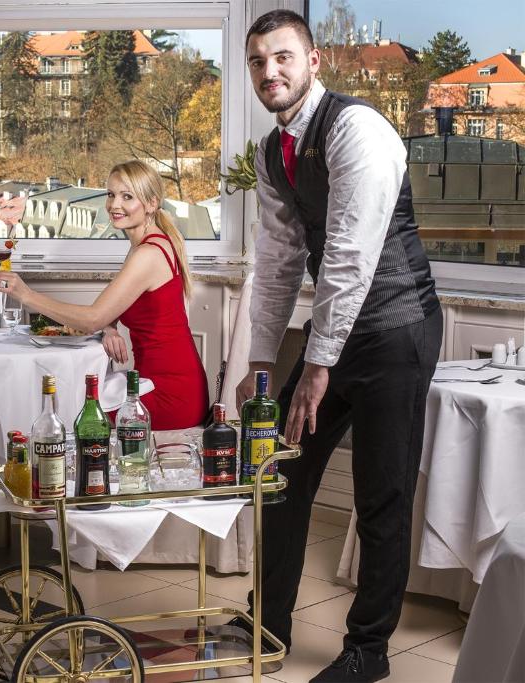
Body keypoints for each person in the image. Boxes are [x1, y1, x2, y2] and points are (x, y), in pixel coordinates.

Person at [235, 10, 442, 683]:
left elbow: (350, 257)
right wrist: (261, 363)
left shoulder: (358, 130)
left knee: (380, 494)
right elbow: (278, 262)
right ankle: (267, 622)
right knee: (281, 472)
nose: (270, 72)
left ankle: (368, 650)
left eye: (283, 57)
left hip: (396, 329)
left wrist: (317, 365)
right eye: (258, 61)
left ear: (314, 61)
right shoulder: (272, 152)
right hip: (338, 332)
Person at [0, 160, 208, 430]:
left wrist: (26, 295)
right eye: (111, 194)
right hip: (158, 382)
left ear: (151, 203)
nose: (114, 205)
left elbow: (91, 319)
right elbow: (111, 311)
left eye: (127, 196)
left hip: (171, 394)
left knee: (74, 411)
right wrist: (109, 328)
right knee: (70, 399)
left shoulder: (148, 254)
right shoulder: (148, 244)